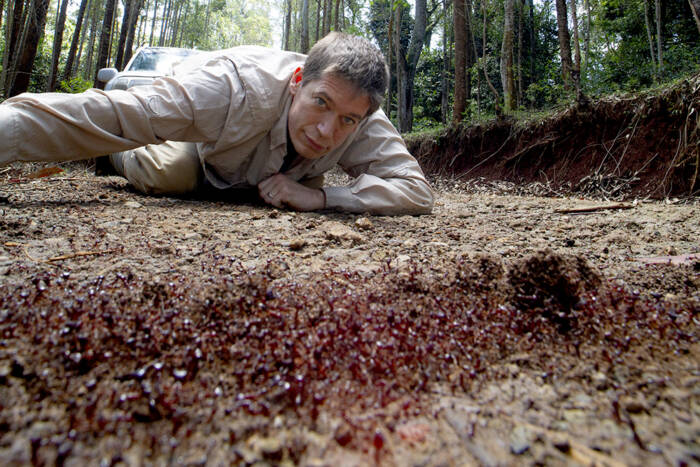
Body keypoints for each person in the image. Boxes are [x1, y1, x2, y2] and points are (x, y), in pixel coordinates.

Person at [0, 33, 434, 215]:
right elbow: (113, 113)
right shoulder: (232, 87)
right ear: (298, 81)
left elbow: (415, 189)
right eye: (320, 103)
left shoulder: (361, 112)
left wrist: (323, 197)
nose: (327, 131)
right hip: (202, 151)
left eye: (346, 121)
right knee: (169, 173)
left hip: (254, 174)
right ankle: (115, 158)